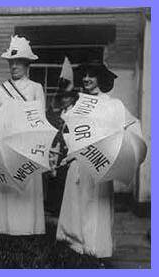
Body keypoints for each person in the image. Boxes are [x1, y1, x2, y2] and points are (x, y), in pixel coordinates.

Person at [56, 59, 119, 258]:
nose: (86, 79)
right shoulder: (80, 102)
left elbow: (112, 131)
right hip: (78, 161)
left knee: (95, 205)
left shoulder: (109, 103)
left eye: (91, 75)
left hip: (98, 160)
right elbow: (73, 132)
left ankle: (97, 250)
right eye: (84, 75)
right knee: (76, 204)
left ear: (100, 78)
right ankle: (77, 246)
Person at [0, 35, 46, 235]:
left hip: (27, 146)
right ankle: (1, 227)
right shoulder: (0, 91)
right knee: (4, 189)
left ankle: (26, 228)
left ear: (27, 64)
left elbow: (40, 121)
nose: (14, 66)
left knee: (25, 188)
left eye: (19, 62)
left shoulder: (36, 89)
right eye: (11, 62)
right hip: (4, 146)